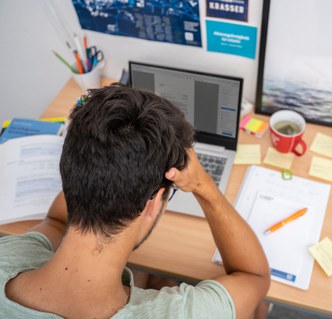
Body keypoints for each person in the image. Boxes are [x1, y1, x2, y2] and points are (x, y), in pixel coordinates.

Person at [0, 84, 270, 318]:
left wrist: (98, 147)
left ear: (70, 172)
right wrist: (203, 185)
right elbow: (253, 276)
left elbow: (57, 221)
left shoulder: (9, 256)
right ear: (154, 204)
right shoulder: (182, 312)